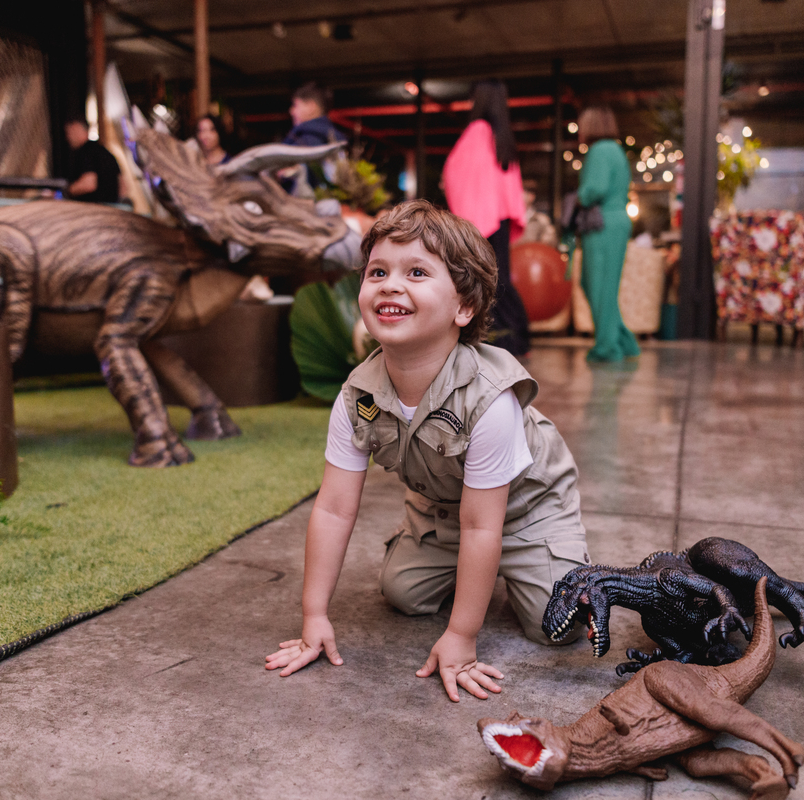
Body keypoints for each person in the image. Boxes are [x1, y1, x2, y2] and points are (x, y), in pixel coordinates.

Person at [265, 201, 590, 703]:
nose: (391, 284)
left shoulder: (490, 399)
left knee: (558, 624)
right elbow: (333, 508)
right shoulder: (359, 395)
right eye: (378, 271)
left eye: (417, 272)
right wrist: (314, 616)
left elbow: (486, 525)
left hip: (530, 510)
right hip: (446, 509)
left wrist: (462, 637)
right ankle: (473, 568)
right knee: (403, 594)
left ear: (464, 308)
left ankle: (544, 561)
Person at [442, 80, 530, 356]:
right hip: (499, 218)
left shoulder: (477, 132)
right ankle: (520, 339)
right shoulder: (502, 136)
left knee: (490, 282)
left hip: (480, 221)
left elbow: (453, 172)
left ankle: (506, 340)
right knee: (502, 279)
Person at [576, 107, 639, 362]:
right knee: (602, 286)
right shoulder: (615, 150)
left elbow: (594, 189)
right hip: (615, 222)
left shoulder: (600, 150)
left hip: (603, 224)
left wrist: (578, 196)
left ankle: (607, 348)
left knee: (598, 285)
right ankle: (622, 341)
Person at [281, 81, 346, 193]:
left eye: (296, 105)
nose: (292, 111)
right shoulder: (334, 142)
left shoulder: (304, 142)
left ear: (311, 107)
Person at [63, 118, 121, 204]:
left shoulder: (85, 152)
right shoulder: (105, 152)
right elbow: (124, 186)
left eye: (68, 133)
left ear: (76, 129)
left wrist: (66, 191)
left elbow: (89, 184)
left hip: (93, 210)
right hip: (110, 210)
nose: (67, 137)